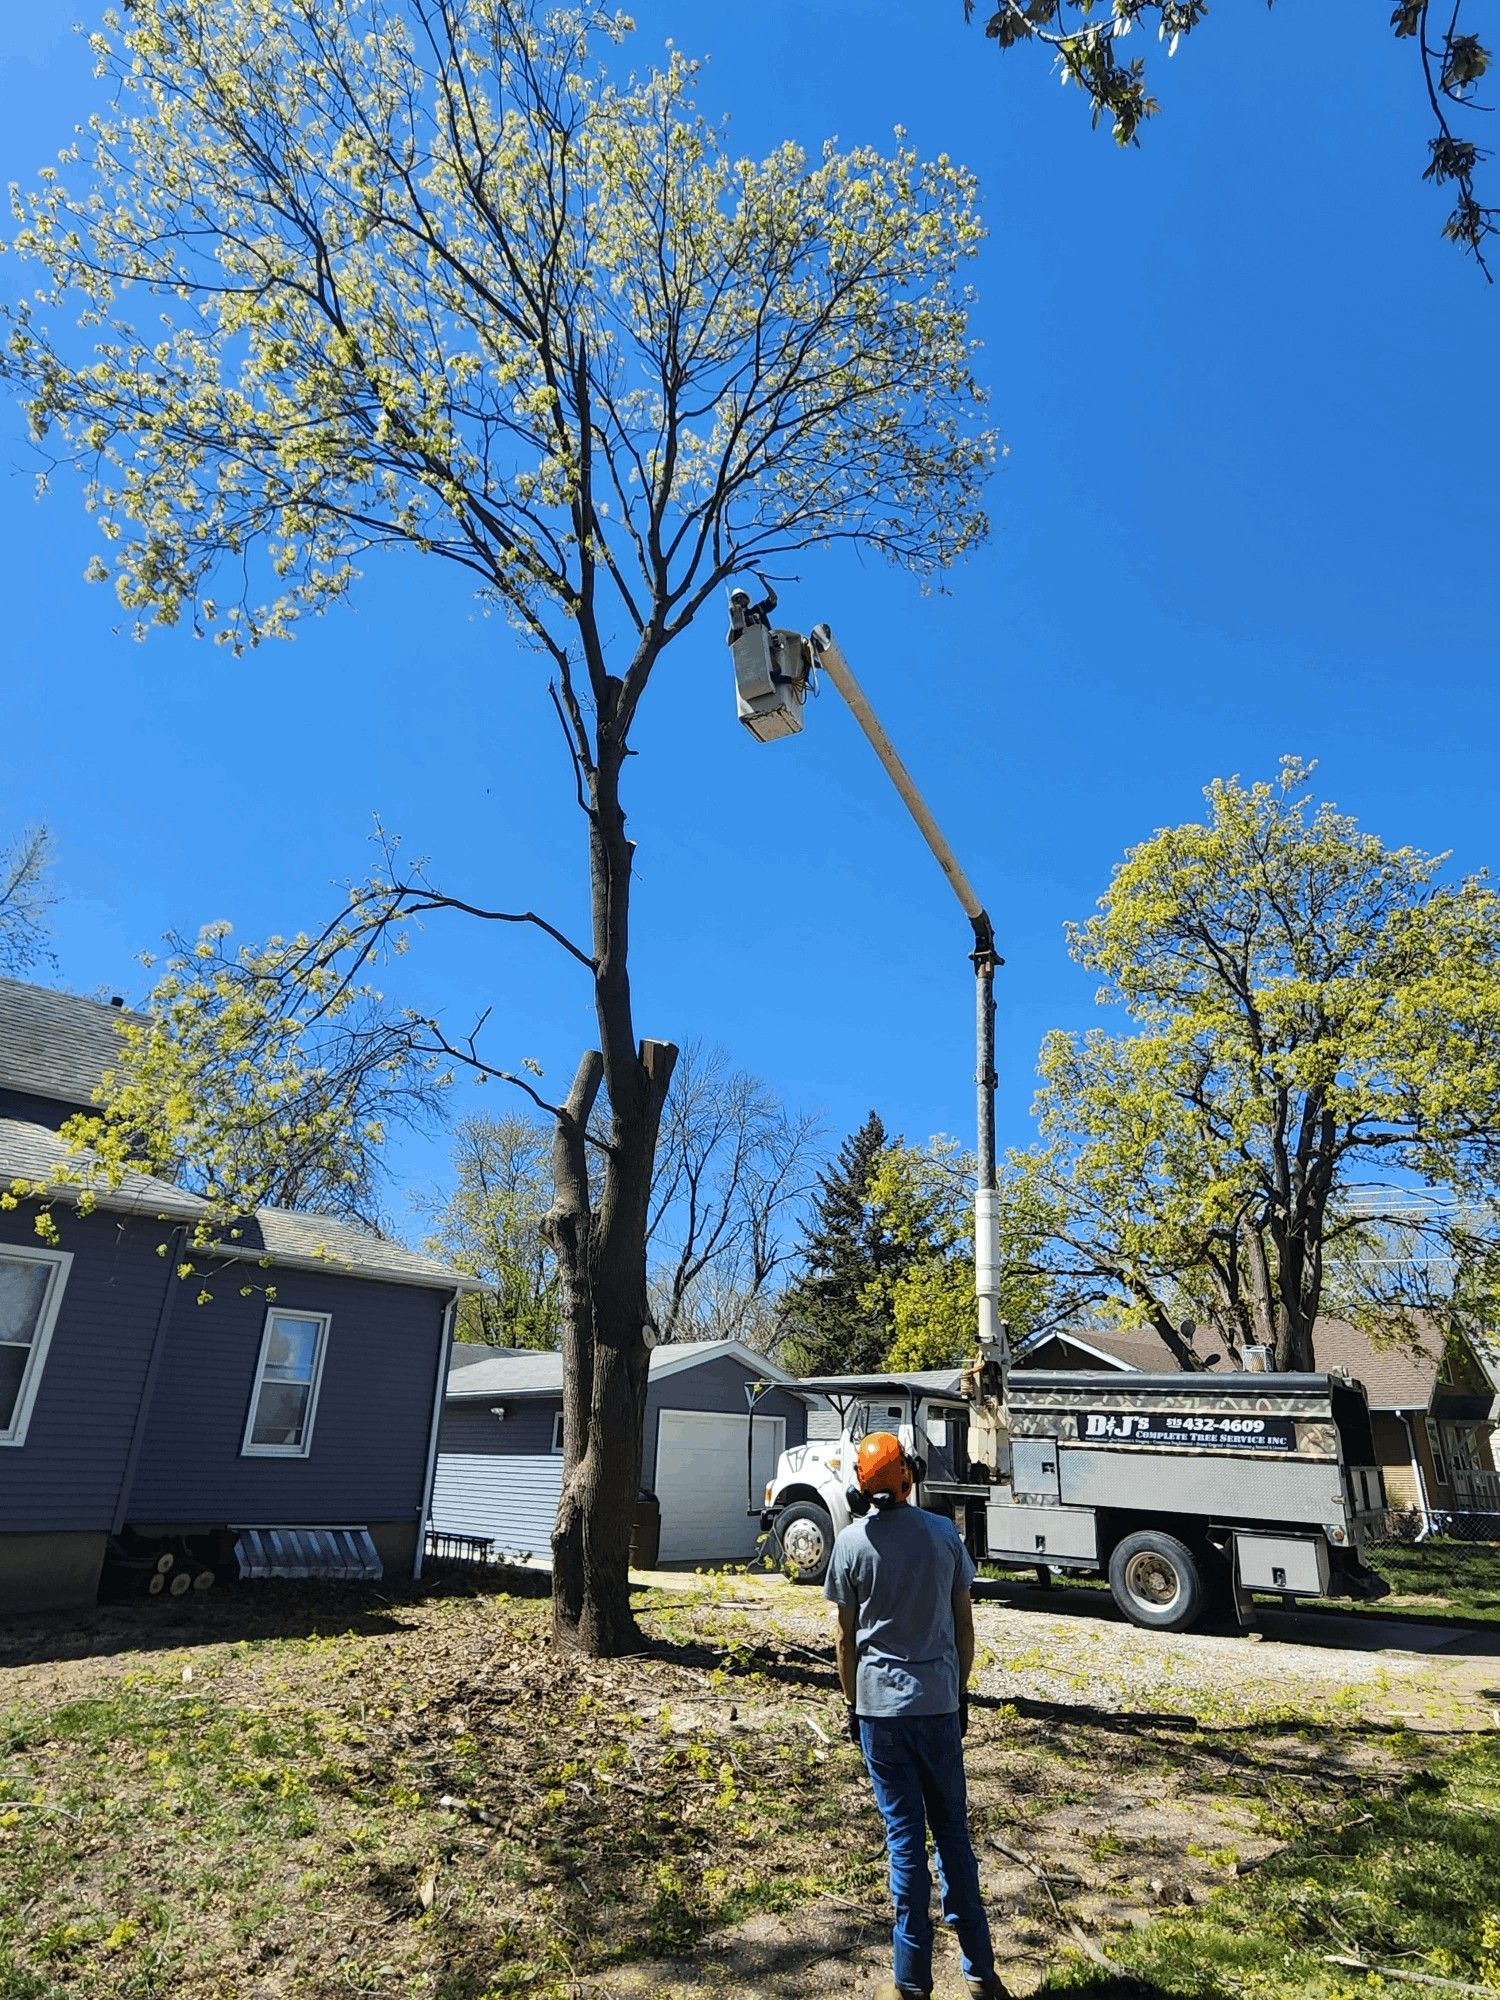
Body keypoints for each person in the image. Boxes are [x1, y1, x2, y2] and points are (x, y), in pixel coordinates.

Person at [825, 1431, 1006, 2000]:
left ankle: (911, 1982)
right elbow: (964, 1627)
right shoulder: (944, 1535)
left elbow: (845, 1641)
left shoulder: (851, 1546)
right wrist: (959, 1692)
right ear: (909, 1476)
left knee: (904, 1840)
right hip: (938, 1706)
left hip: (880, 1713)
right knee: (953, 1832)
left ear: (861, 1488)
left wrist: (854, 1704)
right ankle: (979, 1973)